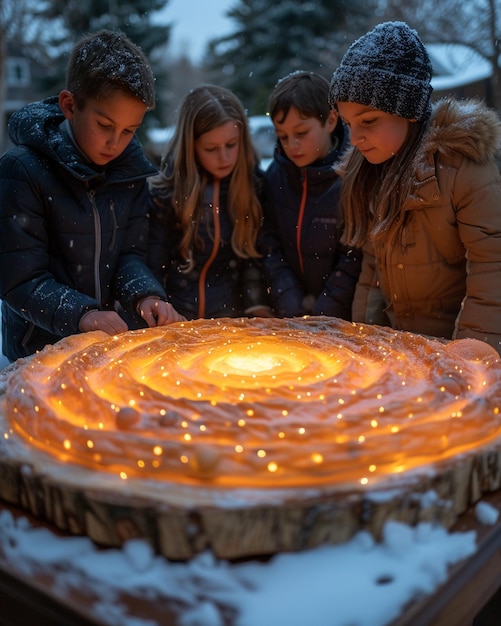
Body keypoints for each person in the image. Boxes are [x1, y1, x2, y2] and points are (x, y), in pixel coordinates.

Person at [0, 29, 184, 363]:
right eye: (104, 125)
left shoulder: (128, 173)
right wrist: (82, 314)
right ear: (69, 105)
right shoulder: (23, 171)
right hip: (38, 353)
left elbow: (129, 255)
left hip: (104, 349)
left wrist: (144, 296)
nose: (116, 143)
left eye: (129, 131)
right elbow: (19, 279)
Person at [328, 21, 501, 353]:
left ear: (407, 111)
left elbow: (492, 268)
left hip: (458, 352)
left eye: (368, 121)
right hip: (408, 355)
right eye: (349, 124)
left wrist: (469, 354)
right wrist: (368, 341)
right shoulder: (373, 172)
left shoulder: (463, 168)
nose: (354, 138)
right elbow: (372, 274)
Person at [147, 84, 272, 320]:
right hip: (175, 323)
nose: (224, 157)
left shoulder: (255, 187)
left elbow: (254, 258)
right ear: (191, 146)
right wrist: (160, 308)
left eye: (231, 145)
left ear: (242, 139)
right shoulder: (166, 193)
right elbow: (154, 264)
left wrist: (257, 305)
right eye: (211, 148)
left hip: (231, 323)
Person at [259, 70, 361, 319]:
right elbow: (269, 245)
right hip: (289, 312)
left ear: (330, 120)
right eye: (282, 136)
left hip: (340, 317)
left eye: (301, 133)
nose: (291, 144)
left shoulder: (352, 177)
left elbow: (353, 256)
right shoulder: (274, 176)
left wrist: (325, 311)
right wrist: (289, 301)